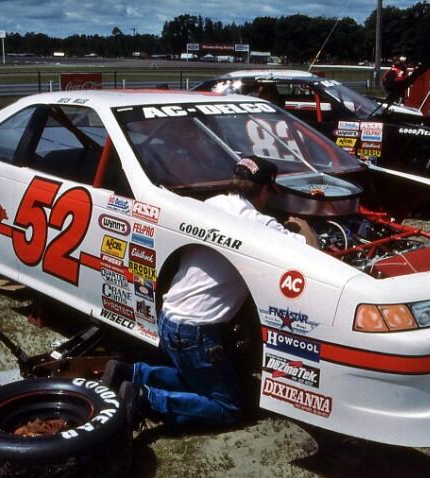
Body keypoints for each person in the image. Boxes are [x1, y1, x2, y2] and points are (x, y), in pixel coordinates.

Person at [112, 156, 318, 428]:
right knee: (229, 407)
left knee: (195, 377)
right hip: (195, 335)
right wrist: (302, 224)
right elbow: (310, 251)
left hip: (168, 320)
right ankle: (146, 398)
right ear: (265, 190)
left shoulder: (211, 204)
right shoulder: (260, 225)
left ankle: (132, 373)